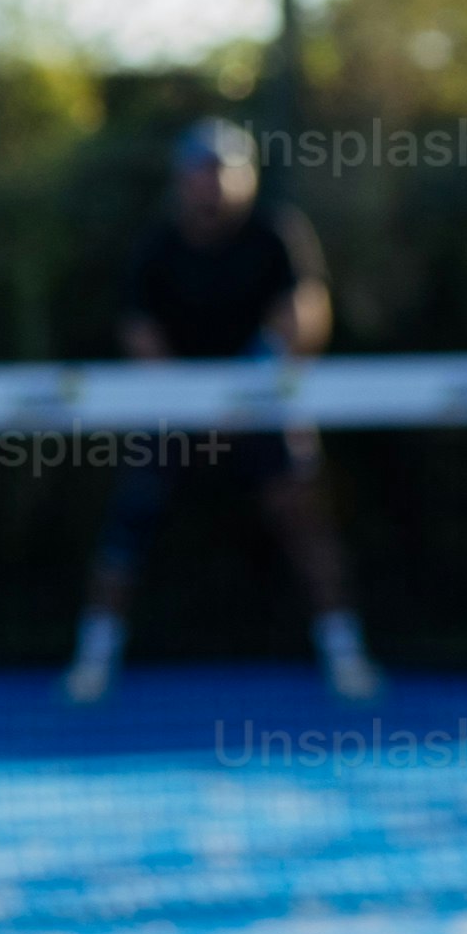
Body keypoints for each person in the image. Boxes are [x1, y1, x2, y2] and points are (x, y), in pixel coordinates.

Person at [64, 118, 382, 704]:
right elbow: (139, 333)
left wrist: (254, 386)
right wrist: (191, 402)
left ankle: (345, 654)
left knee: (304, 519)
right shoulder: (157, 246)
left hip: (261, 408)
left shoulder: (275, 234)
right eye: (200, 172)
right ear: (182, 180)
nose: (210, 184)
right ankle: (94, 659)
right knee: (127, 525)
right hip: (172, 412)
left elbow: (304, 315)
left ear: (246, 177)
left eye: (223, 171)